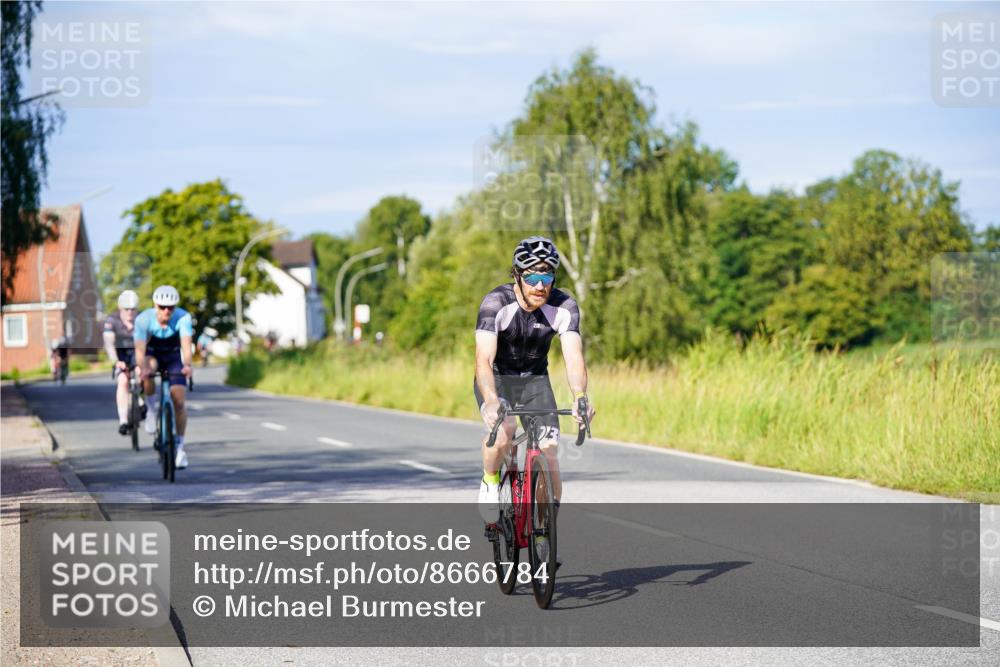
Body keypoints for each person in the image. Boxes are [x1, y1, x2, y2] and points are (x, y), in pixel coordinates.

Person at [474, 236, 596, 561]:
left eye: (547, 276)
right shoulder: (495, 303)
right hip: (497, 380)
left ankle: (544, 530)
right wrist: (490, 399)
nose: (540, 285)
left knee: (550, 452)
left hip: (535, 383)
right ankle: (489, 482)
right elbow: (483, 360)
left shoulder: (564, 305)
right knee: (504, 432)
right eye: (532, 276)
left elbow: (573, 357)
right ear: (517, 275)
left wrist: (580, 396)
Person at [133, 285, 194, 469]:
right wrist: (141, 367)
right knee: (148, 370)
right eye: (162, 307)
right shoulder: (143, 319)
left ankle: (180, 448)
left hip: (173, 356)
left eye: (171, 307)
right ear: (155, 305)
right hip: (152, 354)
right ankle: (151, 410)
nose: (167, 311)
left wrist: (188, 365)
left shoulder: (183, 317)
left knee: (179, 402)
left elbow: (186, 345)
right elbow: (140, 349)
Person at [103, 290, 143, 435]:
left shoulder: (141, 319)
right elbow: (109, 344)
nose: (130, 312)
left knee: (140, 373)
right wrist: (116, 361)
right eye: (127, 309)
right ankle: (123, 420)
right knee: (122, 381)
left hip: (137, 351)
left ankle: (140, 401)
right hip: (120, 353)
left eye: (133, 309)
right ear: (120, 308)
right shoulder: (112, 320)